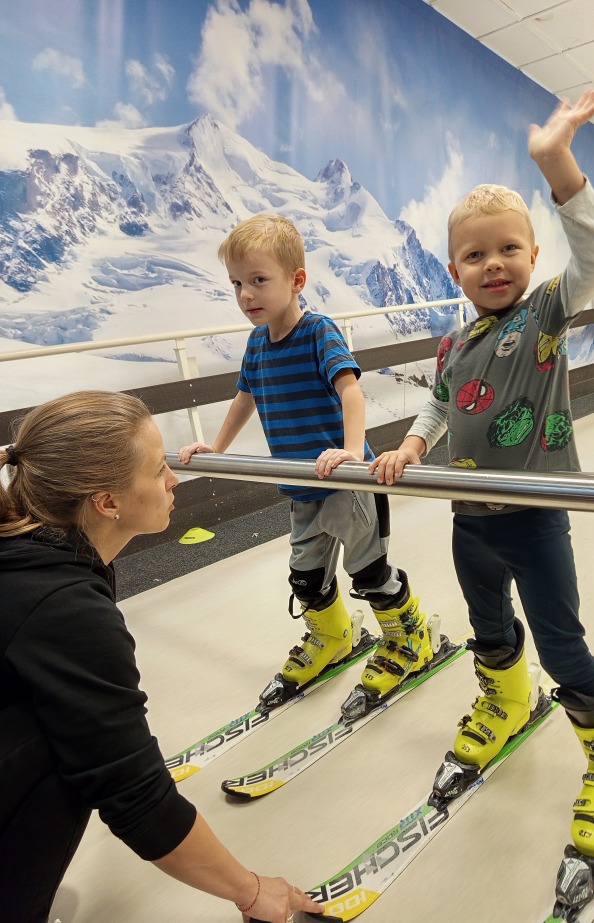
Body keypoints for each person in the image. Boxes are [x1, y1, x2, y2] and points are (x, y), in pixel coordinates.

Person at [370, 91, 594, 904]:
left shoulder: (542, 315)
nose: (494, 263)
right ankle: (506, 703)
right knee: (488, 627)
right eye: (476, 255)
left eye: (509, 248)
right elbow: (438, 404)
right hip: (470, 521)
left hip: (535, 522)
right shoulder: (453, 342)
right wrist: (412, 445)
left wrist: (556, 162)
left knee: (563, 651)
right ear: (454, 271)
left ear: (534, 257)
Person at [0, 390, 322, 923]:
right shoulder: (61, 607)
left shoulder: (27, 552)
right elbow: (136, 797)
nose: (173, 479)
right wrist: (253, 890)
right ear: (107, 501)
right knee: (69, 751)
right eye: (157, 470)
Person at [179, 213, 437, 714]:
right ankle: (333, 635)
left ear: (296, 280)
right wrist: (218, 448)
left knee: (369, 573)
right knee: (305, 578)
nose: (246, 295)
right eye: (237, 284)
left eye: (259, 280)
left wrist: (351, 451)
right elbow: (244, 397)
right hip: (300, 488)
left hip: (345, 483)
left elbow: (351, 391)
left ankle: (409, 638)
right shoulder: (257, 344)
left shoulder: (319, 332)